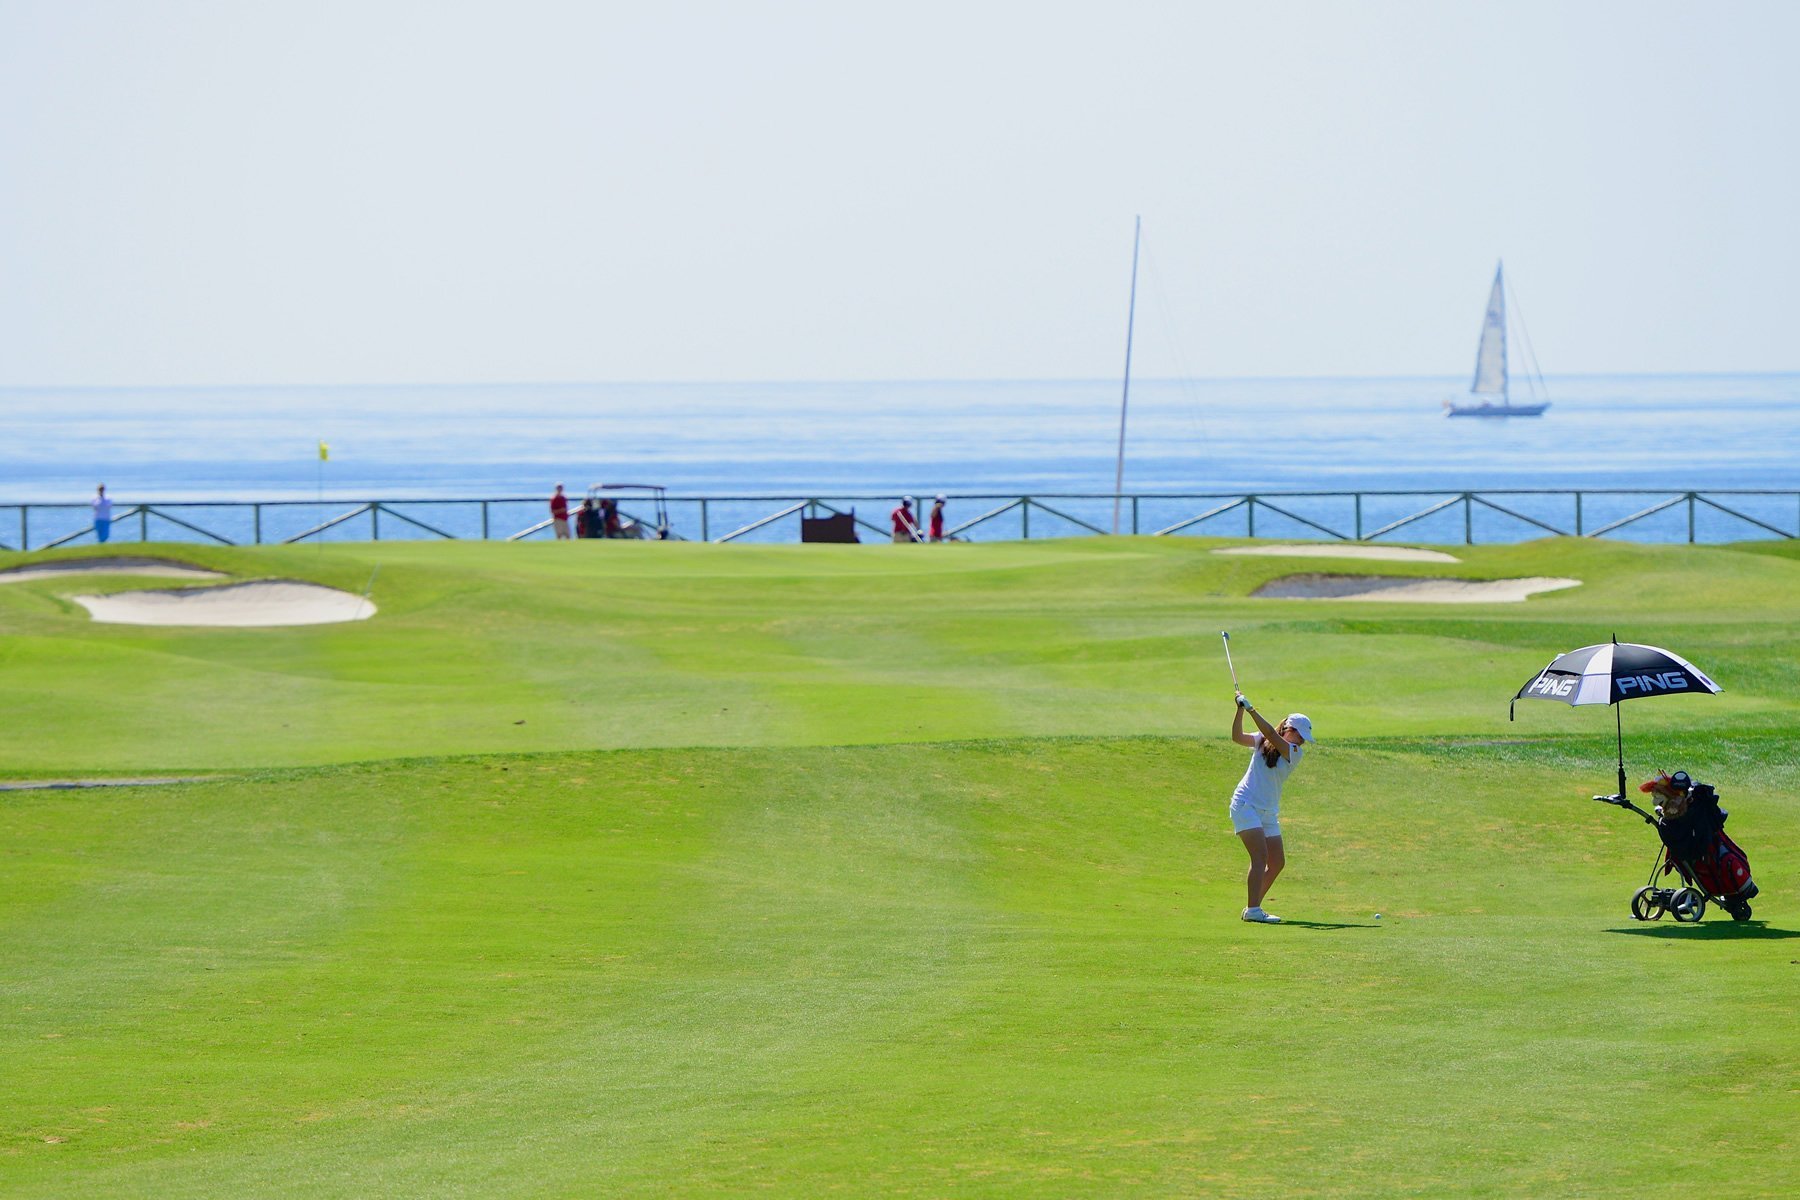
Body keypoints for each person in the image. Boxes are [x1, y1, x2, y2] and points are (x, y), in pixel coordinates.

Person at [1227, 694, 1315, 923]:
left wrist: (1251, 710)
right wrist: (1240, 710)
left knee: (1277, 862)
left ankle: (1252, 907)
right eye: (1299, 736)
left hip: (1268, 812)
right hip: (1245, 804)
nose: (1301, 742)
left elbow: (1270, 734)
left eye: (1304, 739)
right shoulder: (1261, 741)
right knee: (1260, 856)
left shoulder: (1295, 753)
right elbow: (1237, 737)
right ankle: (1254, 910)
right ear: (1288, 727)